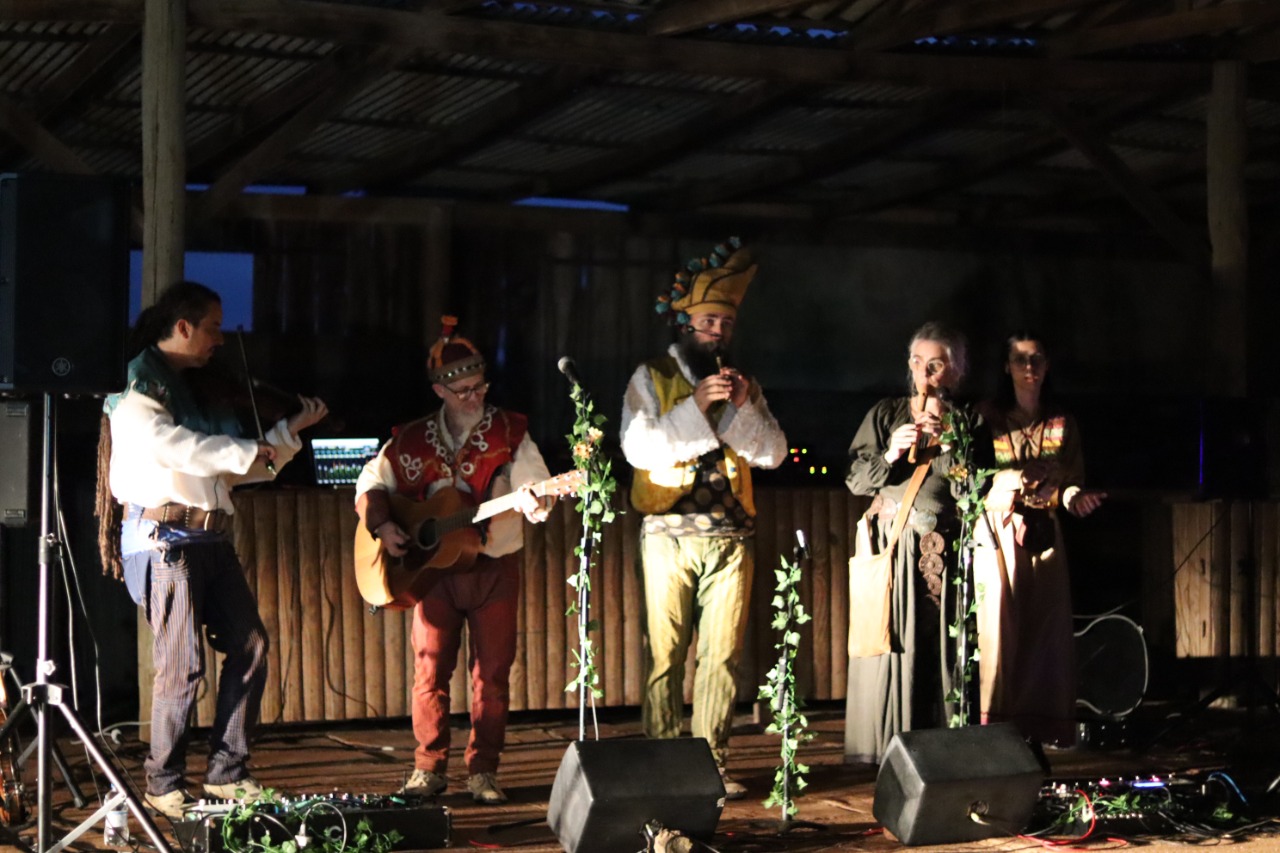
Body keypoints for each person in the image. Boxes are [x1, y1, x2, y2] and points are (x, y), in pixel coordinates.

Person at [96, 281, 328, 817]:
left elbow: (236, 470)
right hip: (165, 543)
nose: (219, 340)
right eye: (213, 327)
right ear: (183, 327)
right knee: (181, 665)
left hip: (208, 538)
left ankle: (226, 773)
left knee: (251, 646)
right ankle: (163, 783)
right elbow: (174, 447)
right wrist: (249, 445)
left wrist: (288, 432)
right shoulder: (137, 390)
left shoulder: (191, 390)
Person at [354, 316, 552, 805]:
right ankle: (428, 768)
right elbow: (369, 483)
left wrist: (535, 500)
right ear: (440, 390)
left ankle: (484, 769)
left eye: (479, 386)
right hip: (436, 573)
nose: (473, 397)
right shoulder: (412, 438)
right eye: (462, 390)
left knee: (493, 673)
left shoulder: (511, 431)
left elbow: (537, 483)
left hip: (494, 568)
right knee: (430, 669)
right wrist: (384, 524)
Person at [620, 237, 787, 799]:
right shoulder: (650, 377)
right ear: (684, 325)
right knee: (665, 654)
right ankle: (665, 761)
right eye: (708, 322)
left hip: (731, 538)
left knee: (722, 658)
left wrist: (741, 408)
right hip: (667, 537)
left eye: (725, 324)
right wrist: (696, 407)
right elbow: (639, 449)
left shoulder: (745, 385)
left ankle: (711, 763)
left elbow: (774, 454)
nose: (717, 333)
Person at [843, 321, 991, 766]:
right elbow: (854, 479)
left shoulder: (969, 422)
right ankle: (890, 751)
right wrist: (891, 452)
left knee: (941, 650)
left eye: (937, 364)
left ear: (955, 370)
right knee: (893, 645)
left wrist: (957, 450)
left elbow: (975, 494)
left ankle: (940, 754)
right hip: (895, 548)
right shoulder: (887, 413)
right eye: (918, 363)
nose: (926, 373)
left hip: (945, 551)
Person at [975, 333, 1105, 761]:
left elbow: (1069, 482)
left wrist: (1073, 498)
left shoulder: (1062, 422)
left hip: (1044, 538)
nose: (1029, 367)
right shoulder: (986, 418)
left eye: (1037, 359)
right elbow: (969, 481)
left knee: (1045, 635)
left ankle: (1035, 738)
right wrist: (1016, 478)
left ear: (1047, 367)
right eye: (1019, 359)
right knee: (1000, 632)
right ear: (1006, 366)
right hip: (998, 535)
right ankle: (995, 740)